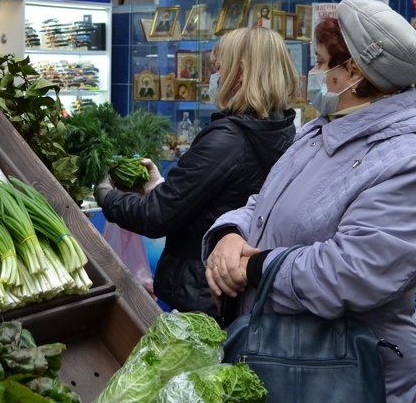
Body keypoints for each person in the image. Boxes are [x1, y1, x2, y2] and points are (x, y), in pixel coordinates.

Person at [204, 0, 416, 403]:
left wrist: (256, 269)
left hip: (340, 395)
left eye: (321, 64)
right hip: (286, 374)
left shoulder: (410, 161)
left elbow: (354, 273)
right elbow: (262, 206)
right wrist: (229, 235)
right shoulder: (319, 133)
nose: (313, 75)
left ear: (355, 73)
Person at [95, 26, 298, 319]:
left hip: (203, 290)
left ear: (239, 74)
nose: (211, 77)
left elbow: (156, 217)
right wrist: (160, 186)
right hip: (235, 288)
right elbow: (219, 202)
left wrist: (106, 195)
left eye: (217, 68)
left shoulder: (227, 139)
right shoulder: (281, 130)